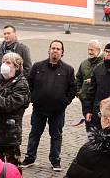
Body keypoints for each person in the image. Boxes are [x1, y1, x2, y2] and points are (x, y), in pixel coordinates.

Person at [22, 40, 76, 171]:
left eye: (58, 49)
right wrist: (33, 98)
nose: (55, 51)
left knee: (56, 136)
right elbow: (29, 84)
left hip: (58, 110)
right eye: (53, 48)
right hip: (39, 109)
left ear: (62, 52)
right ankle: (29, 158)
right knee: (35, 133)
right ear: (49, 50)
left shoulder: (68, 70)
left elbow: (73, 88)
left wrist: (65, 101)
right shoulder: (38, 66)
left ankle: (55, 161)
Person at [0, 52, 30, 169]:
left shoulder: (22, 84)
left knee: (13, 169)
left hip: (9, 134)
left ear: (16, 66)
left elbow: (8, 104)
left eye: (8, 62)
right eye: (4, 62)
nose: (4, 65)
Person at [75, 40, 103, 133]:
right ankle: (91, 144)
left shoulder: (104, 63)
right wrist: (79, 92)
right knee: (89, 126)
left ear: (99, 50)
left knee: (99, 128)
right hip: (86, 101)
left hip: (98, 102)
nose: (90, 52)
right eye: (88, 49)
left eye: (92, 50)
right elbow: (78, 78)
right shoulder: (84, 63)